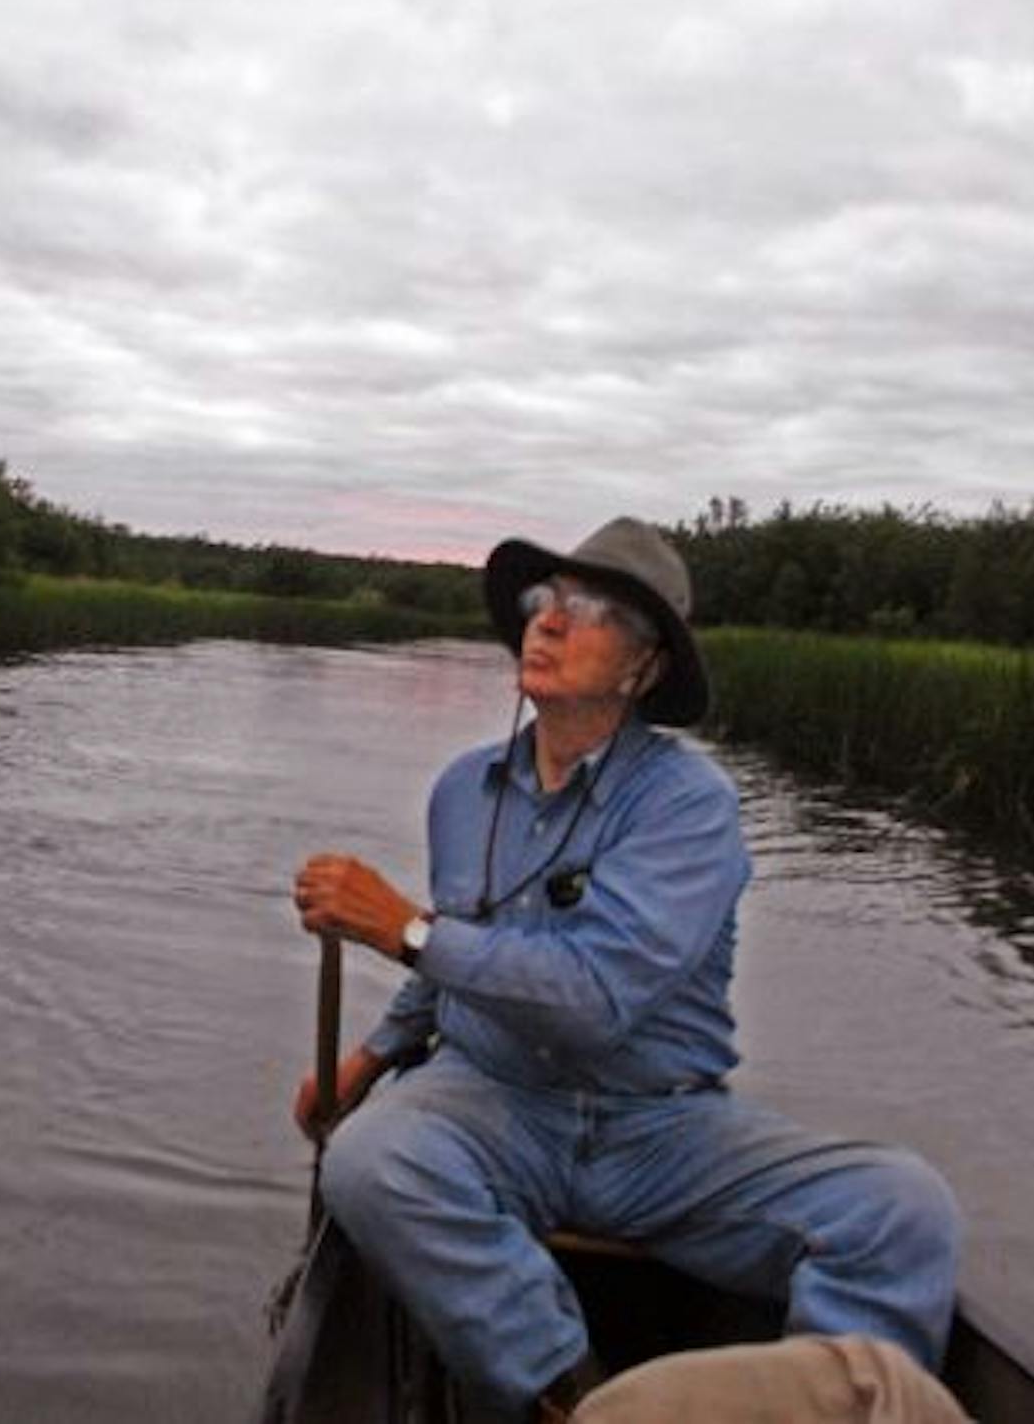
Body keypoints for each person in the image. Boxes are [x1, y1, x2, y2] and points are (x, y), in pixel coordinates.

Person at [290, 517, 961, 1422]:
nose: (548, 622)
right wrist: (369, 1057)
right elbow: (462, 952)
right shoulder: (461, 789)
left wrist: (401, 927)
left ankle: (825, 1403)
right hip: (491, 1099)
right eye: (543, 601)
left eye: (589, 609)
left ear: (643, 669)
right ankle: (567, 1394)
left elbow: (596, 997)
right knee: (371, 1160)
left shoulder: (689, 805)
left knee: (901, 1207)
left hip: (657, 1126)